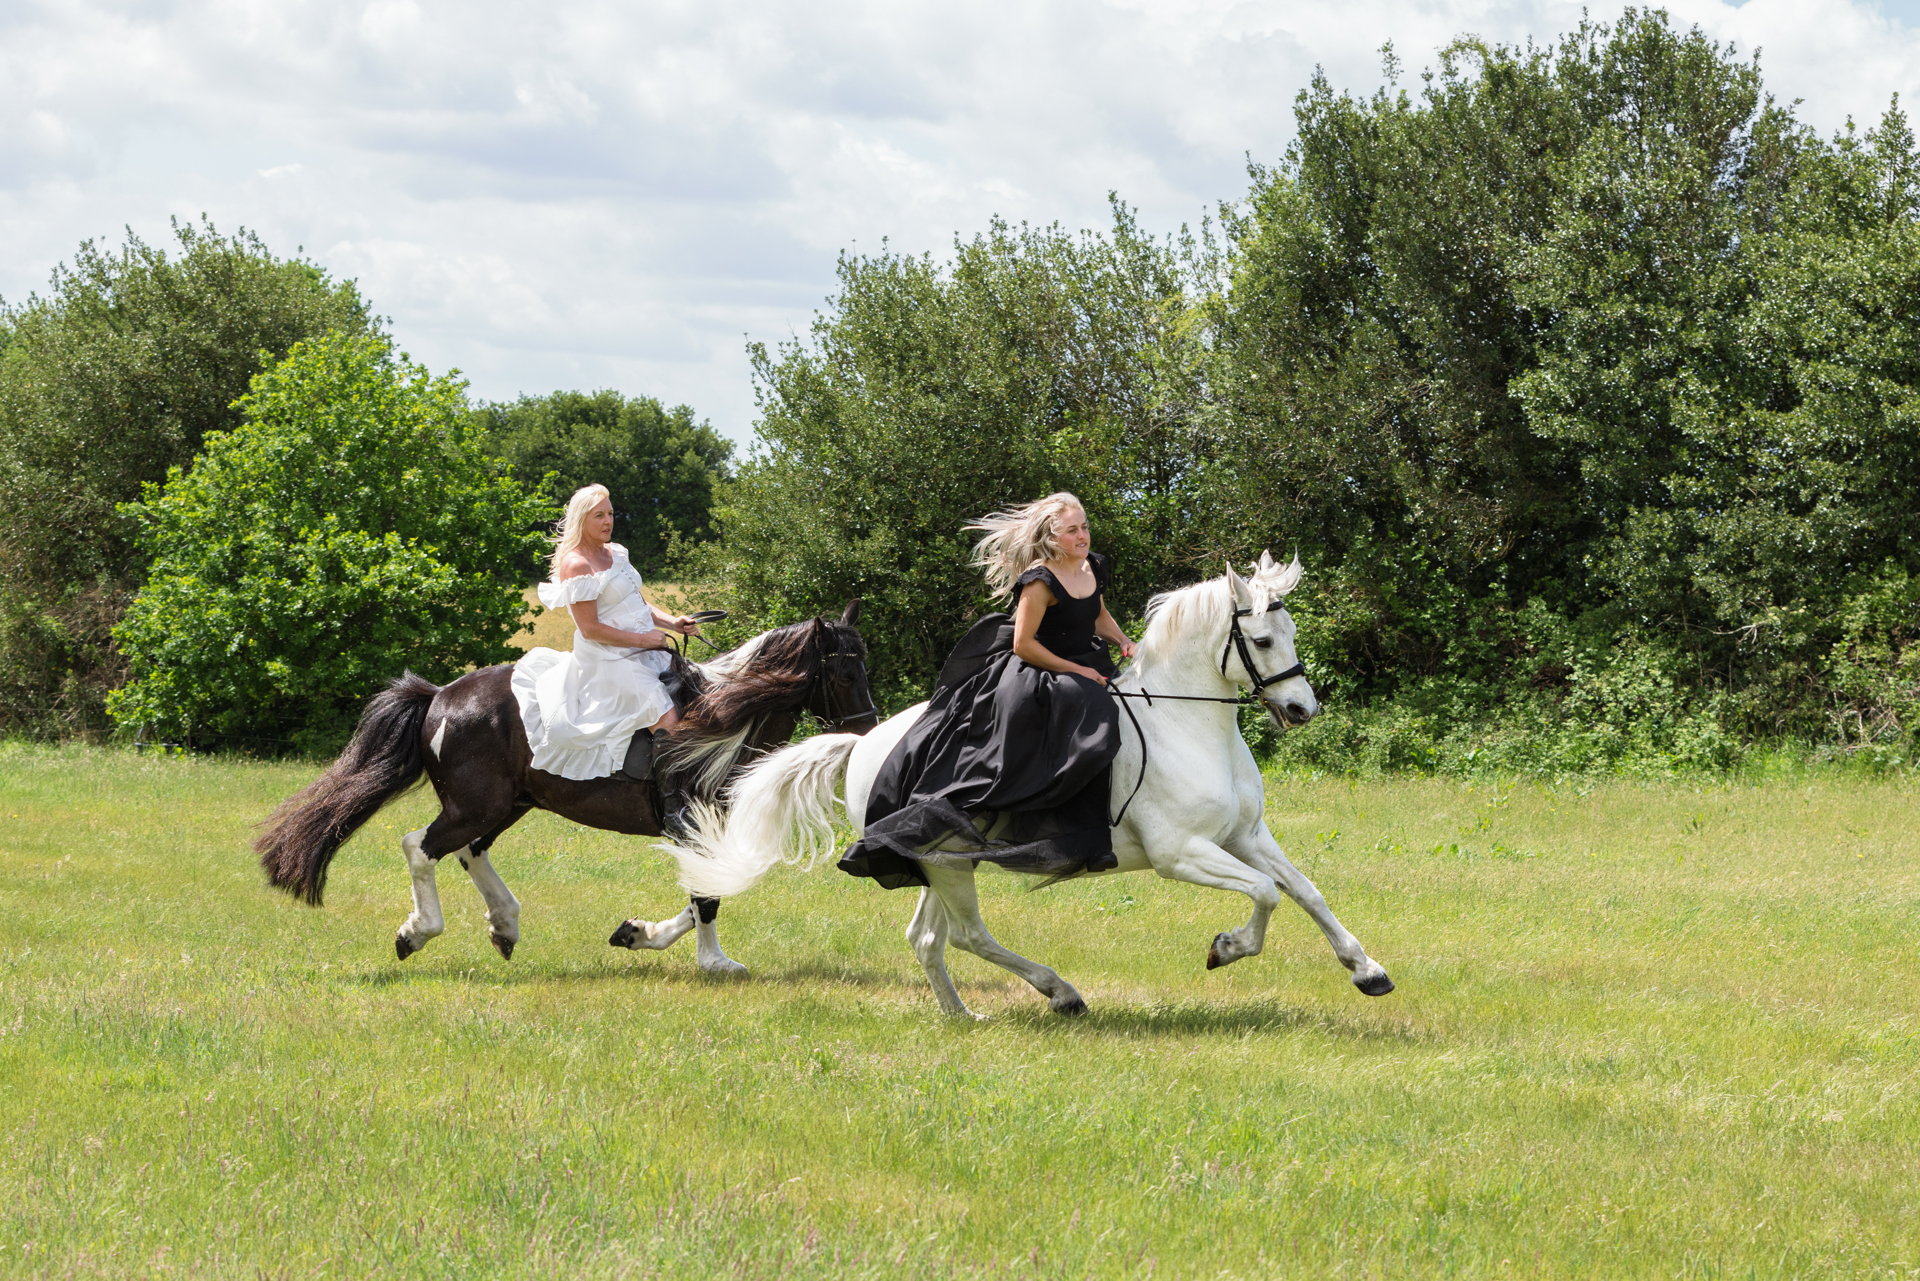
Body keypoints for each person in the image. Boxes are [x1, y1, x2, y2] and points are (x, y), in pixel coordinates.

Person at [838, 492, 1136, 889]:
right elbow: (1023, 645)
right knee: (1092, 710)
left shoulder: (1091, 565)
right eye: (1072, 530)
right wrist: (1077, 670)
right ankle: (1077, 831)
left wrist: (1123, 640)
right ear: (1051, 537)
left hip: (1084, 662)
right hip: (1041, 669)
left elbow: (1096, 611)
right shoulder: (1040, 581)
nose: (1082, 535)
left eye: (1084, 527)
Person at [510, 484, 703, 784]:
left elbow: (637, 604)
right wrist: (645, 640)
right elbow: (589, 629)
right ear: (581, 519)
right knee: (666, 716)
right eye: (598, 515)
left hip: (646, 650)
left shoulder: (616, 552)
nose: (608, 521)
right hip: (609, 659)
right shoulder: (577, 564)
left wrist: (672, 623)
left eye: (610, 514)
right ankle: (673, 799)